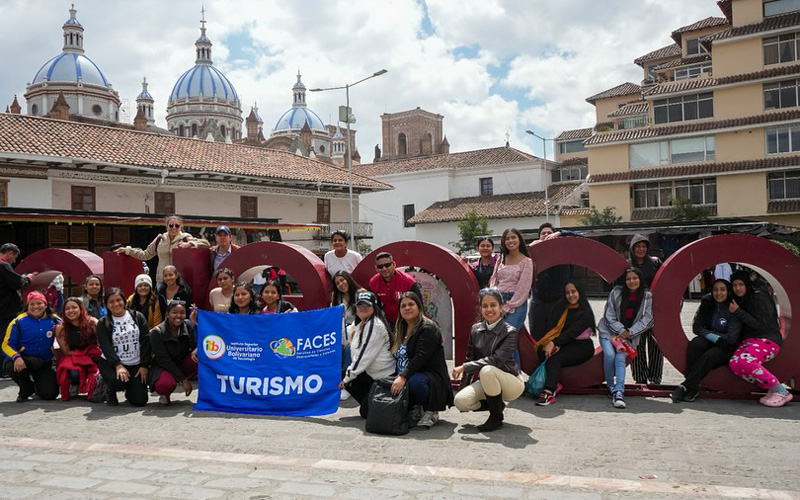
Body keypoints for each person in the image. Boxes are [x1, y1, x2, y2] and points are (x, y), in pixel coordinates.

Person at [452, 288, 524, 432]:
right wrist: (463, 387)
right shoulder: (475, 330)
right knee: (460, 401)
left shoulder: (510, 332)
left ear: (501, 307)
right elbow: (470, 357)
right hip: (488, 382)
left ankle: (496, 417)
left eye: (493, 305)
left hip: (511, 383)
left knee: (487, 369)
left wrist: (465, 367)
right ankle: (496, 404)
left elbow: (496, 360)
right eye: (485, 306)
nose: (489, 309)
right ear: (480, 309)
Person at [671, 279, 742, 403]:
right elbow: (697, 327)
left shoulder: (732, 307)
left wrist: (714, 336)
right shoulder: (708, 302)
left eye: (722, 290)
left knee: (710, 355)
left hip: (727, 346)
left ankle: (685, 386)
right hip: (712, 339)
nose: (718, 293)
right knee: (695, 344)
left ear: (728, 291)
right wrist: (714, 337)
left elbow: (731, 338)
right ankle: (693, 387)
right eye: (715, 290)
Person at [390, 292, 454, 429]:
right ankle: (415, 407)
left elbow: (420, 357)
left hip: (428, 378)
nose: (407, 308)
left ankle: (430, 410)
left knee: (415, 382)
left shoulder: (428, 328)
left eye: (411, 304)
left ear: (419, 306)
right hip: (404, 376)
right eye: (403, 306)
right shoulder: (400, 330)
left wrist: (402, 377)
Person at [728, 271, 791, 407]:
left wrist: (738, 311)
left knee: (746, 361)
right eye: (734, 285)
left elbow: (760, 324)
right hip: (750, 341)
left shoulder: (758, 298)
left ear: (747, 284)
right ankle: (770, 387)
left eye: (741, 284)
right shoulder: (739, 300)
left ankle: (780, 390)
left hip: (767, 339)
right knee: (734, 363)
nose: (738, 288)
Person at [597, 267, 654, 409]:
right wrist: (621, 330)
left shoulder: (647, 297)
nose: (632, 281)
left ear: (640, 279)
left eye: (635, 278)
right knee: (609, 355)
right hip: (609, 332)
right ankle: (610, 386)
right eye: (628, 279)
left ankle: (619, 391)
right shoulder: (616, 292)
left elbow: (648, 318)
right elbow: (608, 314)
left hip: (630, 336)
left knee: (620, 357)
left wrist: (629, 332)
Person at [533, 281, 596, 406]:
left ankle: (549, 392)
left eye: (573, 291)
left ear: (579, 292)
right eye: (567, 293)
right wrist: (552, 343)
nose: (571, 295)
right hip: (566, 343)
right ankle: (554, 381)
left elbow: (571, 333)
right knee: (543, 351)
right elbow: (554, 328)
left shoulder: (585, 313)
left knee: (555, 359)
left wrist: (555, 343)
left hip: (582, 346)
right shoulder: (562, 308)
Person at [339, 290, 395, 412]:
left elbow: (364, 357)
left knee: (365, 411)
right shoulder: (362, 323)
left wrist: (347, 379)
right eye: (360, 305)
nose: (363, 308)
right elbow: (344, 338)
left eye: (367, 305)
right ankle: (371, 403)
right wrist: (342, 318)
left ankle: (375, 404)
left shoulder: (374, 325)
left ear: (374, 307)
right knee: (344, 374)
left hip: (383, 377)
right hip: (371, 374)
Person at [95, 288, 151, 406]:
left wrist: (144, 365)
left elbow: (145, 341)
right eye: (111, 302)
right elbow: (105, 346)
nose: (116, 304)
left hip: (135, 364)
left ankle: (131, 389)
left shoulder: (138, 317)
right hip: (112, 364)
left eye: (118, 300)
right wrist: (118, 365)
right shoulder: (103, 323)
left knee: (139, 401)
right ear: (107, 305)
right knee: (118, 382)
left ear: (125, 301)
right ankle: (109, 388)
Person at [115, 215, 209, 283]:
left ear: (181, 227)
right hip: (162, 279)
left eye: (177, 226)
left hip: (178, 281)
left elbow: (206, 244)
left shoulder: (185, 237)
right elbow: (145, 254)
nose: (174, 228)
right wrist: (128, 250)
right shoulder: (160, 239)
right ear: (167, 226)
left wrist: (190, 244)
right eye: (171, 225)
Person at [2, 291, 60, 402]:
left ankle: (38, 386)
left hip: (44, 362)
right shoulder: (17, 322)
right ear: (27, 306)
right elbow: (7, 345)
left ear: (46, 305)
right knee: (11, 366)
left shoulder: (54, 319)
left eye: (39, 303)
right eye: (32, 304)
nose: (35, 307)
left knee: (50, 394)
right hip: (24, 361)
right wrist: (16, 357)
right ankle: (26, 388)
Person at [529, 222, 580, 341]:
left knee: (559, 335)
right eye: (543, 233)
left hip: (559, 300)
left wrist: (561, 232)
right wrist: (529, 247)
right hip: (538, 301)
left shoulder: (564, 250)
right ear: (539, 237)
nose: (546, 235)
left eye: (549, 233)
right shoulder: (533, 251)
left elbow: (580, 237)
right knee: (537, 335)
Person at [626, 234, 664, 385]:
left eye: (644, 246)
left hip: (654, 309)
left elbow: (664, 282)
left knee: (655, 344)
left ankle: (655, 378)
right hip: (635, 311)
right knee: (637, 343)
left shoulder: (655, 263)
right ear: (632, 248)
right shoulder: (627, 265)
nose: (641, 249)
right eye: (638, 246)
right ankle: (640, 378)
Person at [149, 301, 197, 406]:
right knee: (164, 385)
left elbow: (194, 346)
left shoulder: (188, 326)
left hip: (180, 362)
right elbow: (163, 360)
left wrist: (195, 324)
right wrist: (183, 380)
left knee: (199, 355)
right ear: (167, 314)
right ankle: (165, 394)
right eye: (174, 312)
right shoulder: (157, 332)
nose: (178, 316)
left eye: (182, 313)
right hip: (163, 367)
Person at [0, 243, 37, 378]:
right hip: (6, 309)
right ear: (10, 253)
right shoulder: (3, 266)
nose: (14, 261)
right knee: (5, 337)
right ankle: (4, 368)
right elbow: (17, 283)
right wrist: (29, 278)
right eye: (14, 257)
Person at [54, 297, 100, 401]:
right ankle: (74, 384)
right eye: (67, 309)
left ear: (81, 309)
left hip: (93, 356)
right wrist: (83, 356)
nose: (71, 311)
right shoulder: (61, 328)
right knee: (74, 373)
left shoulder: (93, 323)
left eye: (74, 307)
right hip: (74, 357)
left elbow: (101, 344)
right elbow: (66, 351)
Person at [489, 228, 533, 333]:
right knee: (497, 340)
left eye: (513, 237)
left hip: (516, 304)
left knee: (506, 336)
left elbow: (523, 288)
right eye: (507, 239)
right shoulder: (501, 258)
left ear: (519, 240)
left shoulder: (526, 262)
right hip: (498, 300)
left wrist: (508, 307)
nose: (510, 241)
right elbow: (494, 279)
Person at [368, 252, 422, 326]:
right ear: (376, 268)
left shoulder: (408, 281)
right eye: (380, 266)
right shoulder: (373, 283)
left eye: (387, 265)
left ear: (394, 264)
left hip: (409, 320)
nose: (384, 269)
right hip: (388, 321)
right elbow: (374, 306)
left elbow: (419, 304)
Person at [331, 271, 359, 400]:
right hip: (342, 330)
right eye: (337, 283)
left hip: (359, 329)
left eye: (342, 280)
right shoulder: (336, 297)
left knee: (348, 349)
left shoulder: (360, 294)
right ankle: (335, 381)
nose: (341, 284)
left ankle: (346, 384)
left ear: (348, 279)